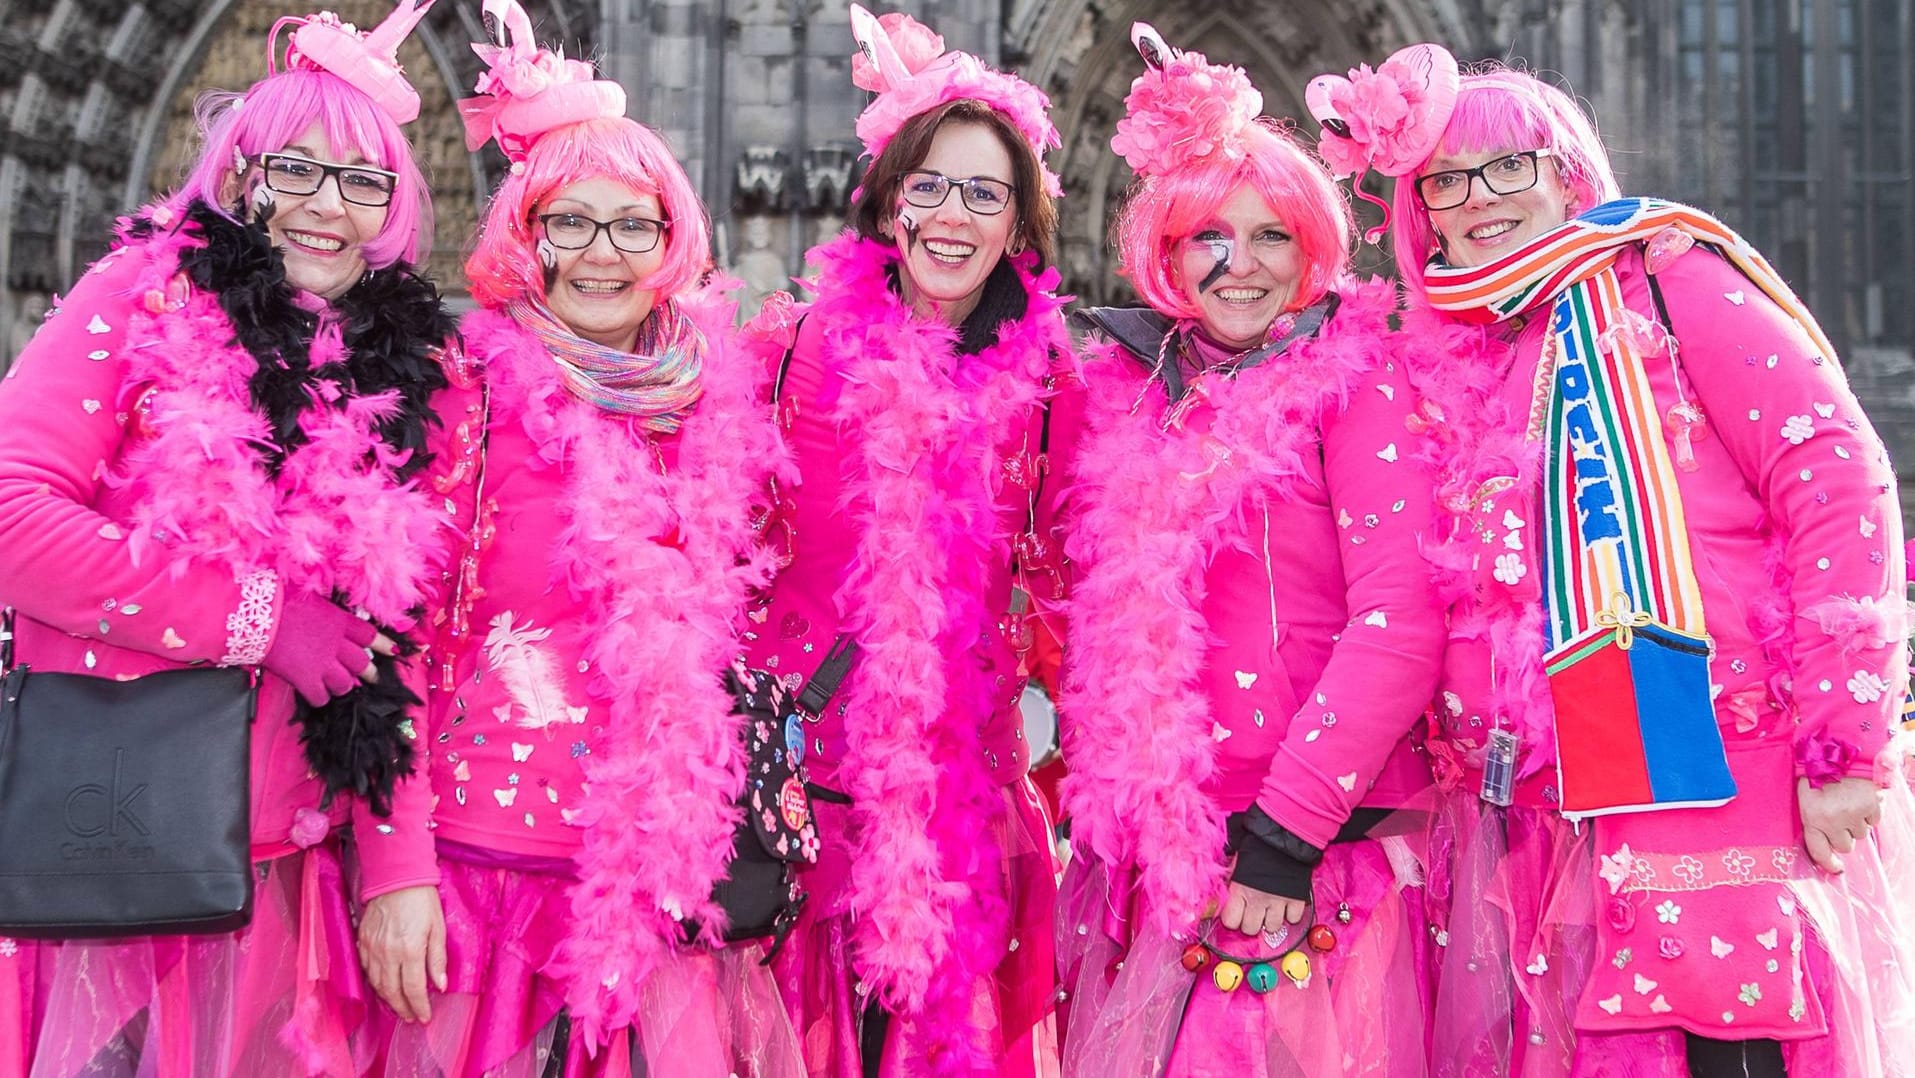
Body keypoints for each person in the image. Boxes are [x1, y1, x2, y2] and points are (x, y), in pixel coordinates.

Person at [1313, 45, 1915, 1076]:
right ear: (1422, 213)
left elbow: (1838, 483)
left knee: (1728, 1049)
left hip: (1719, 774)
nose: (1480, 198)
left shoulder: (1668, 282)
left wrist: (1846, 744)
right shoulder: (1455, 350)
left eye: (1511, 165)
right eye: (1447, 180)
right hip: (1543, 813)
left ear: (1567, 172)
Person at [349, 3, 803, 1074]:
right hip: (483, 874)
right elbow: (392, 635)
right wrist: (393, 867)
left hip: (662, 873)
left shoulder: (711, 401)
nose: (603, 253)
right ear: (528, 235)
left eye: (632, 224)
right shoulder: (464, 388)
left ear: (670, 238)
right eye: (572, 222)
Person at [0, 3, 451, 1074]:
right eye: (296, 169)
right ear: (242, 176)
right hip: (121, 852)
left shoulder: (386, 376)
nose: (328, 209)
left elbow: (391, 651)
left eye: (363, 180)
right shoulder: (139, 297)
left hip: (297, 877)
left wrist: (398, 867)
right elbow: (10, 513)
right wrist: (257, 619)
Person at [1052, 26, 1443, 1077]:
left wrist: (1285, 832)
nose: (1239, 263)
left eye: (1271, 235)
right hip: (1162, 848)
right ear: (1167, 250)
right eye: (1208, 234)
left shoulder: (1359, 385)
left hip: (1310, 844)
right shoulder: (1132, 390)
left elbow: (1401, 620)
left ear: (1312, 244)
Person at [740, 5, 1074, 1074]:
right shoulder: (785, 357)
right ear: (887, 202)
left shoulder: (1056, 391)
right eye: (927, 184)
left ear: (1020, 226)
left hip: (959, 817)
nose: (951, 215)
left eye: (985, 193)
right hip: (797, 809)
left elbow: (1093, 591)